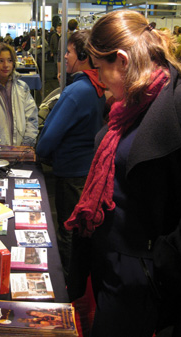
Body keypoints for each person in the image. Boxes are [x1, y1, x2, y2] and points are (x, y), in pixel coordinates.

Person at [65, 10, 181, 337]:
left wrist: (161, 257)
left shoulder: (172, 103)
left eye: (101, 69)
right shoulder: (129, 105)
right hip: (111, 259)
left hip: (140, 270)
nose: (99, 79)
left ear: (123, 60)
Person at [36, 30, 105, 280]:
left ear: (84, 55)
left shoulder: (77, 91)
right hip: (85, 170)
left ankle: (67, 283)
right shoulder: (96, 86)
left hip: (71, 173)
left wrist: (39, 152)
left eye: (69, 52)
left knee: (68, 230)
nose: (64, 56)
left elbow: (50, 136)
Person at [57, 19, 78, 85]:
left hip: (66, 66)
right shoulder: (79, 37)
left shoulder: (63, 38)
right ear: (76, 26)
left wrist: (59, 71)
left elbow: (59, 56)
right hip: (77, 67)